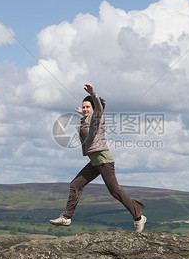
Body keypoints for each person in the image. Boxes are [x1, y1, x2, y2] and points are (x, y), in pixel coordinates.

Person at [49, 84, 147, 232]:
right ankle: (67, 217)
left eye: (88, 106)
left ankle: (139, 217)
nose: (85, 109)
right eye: (83, 106)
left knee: (115, 191)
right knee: (75, 184)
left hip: (104, 160)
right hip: (95, 162)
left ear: (94, 108)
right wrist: (84, 114)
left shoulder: (97, 118)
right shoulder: (86, 119)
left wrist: (93, 94)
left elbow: (99, 110)